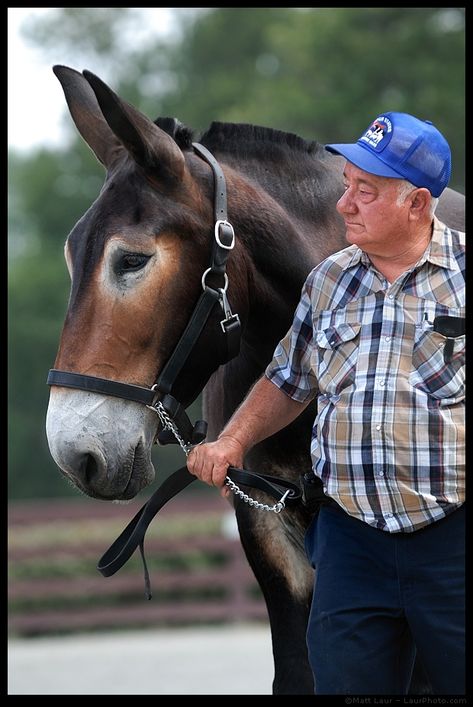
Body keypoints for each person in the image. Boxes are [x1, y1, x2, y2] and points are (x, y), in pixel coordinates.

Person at [187, 112, 465, 695]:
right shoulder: (329, 281)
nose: (345, 204)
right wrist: (232, 441)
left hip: (452, 540)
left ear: (417, 204)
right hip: (349, 542)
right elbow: (288, 379)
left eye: (366, 191)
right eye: (347, 184)